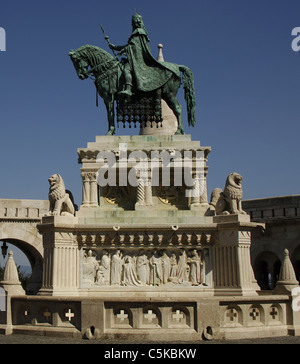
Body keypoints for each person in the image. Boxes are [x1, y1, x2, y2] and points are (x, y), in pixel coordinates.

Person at [108, 13, 177, 98]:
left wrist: (123, 50)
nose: (132, 23)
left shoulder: (139, 32)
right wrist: (114, 47)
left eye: (133, 22)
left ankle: (128, 89)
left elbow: (133, 47)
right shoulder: (137, 33)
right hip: (134, 57)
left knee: (126, 69)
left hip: (138, 59)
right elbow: (130, 46)